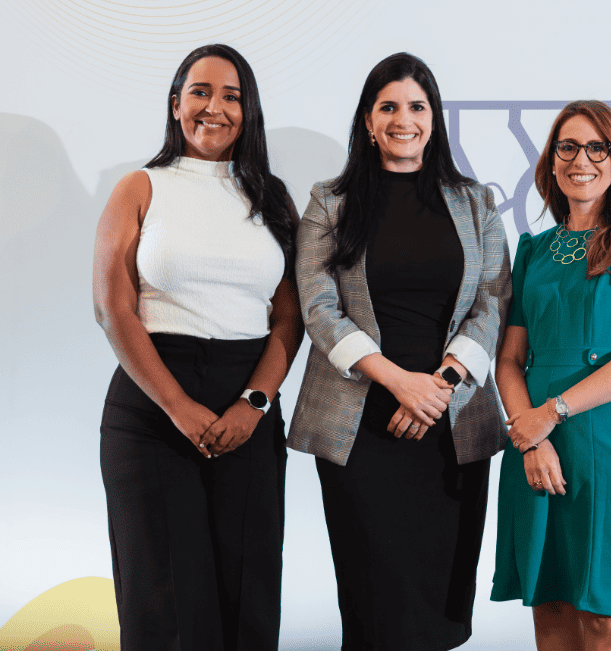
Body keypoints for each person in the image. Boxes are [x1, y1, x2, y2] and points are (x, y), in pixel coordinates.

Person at [286, 52, 511, 651]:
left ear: (434, 118)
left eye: (417, 106)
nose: (403, 118)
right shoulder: (329, 202)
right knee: (376, 605)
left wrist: (437, 385)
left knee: (440, 602)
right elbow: (318, 306)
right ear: (367, 120)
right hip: (362, 426)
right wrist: (399, 383)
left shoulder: (477, 203)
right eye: (388, 106)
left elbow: (493, 298)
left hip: (452, 420)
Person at [94, 44, 303, 650]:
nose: (215, 107)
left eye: (232, 96)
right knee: (163, 597)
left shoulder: (273, 197)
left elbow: (290, 318)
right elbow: (115, 308)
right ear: (176, 103)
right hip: (153, 401)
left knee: (248, 591)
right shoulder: (140, 187)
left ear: (249, 110)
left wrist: (255, 402)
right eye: (201, 92)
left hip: (249, 397)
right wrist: (179, 407)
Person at [490, 100, 611, 651]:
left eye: (597, 147)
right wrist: (530, 437)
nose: (582, 159)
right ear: (550, 162)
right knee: (550, 604)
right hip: (536, 441)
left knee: (604, 615)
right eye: (568, 147)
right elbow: (508, 359)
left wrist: (551, 414)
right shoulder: (533, 250)